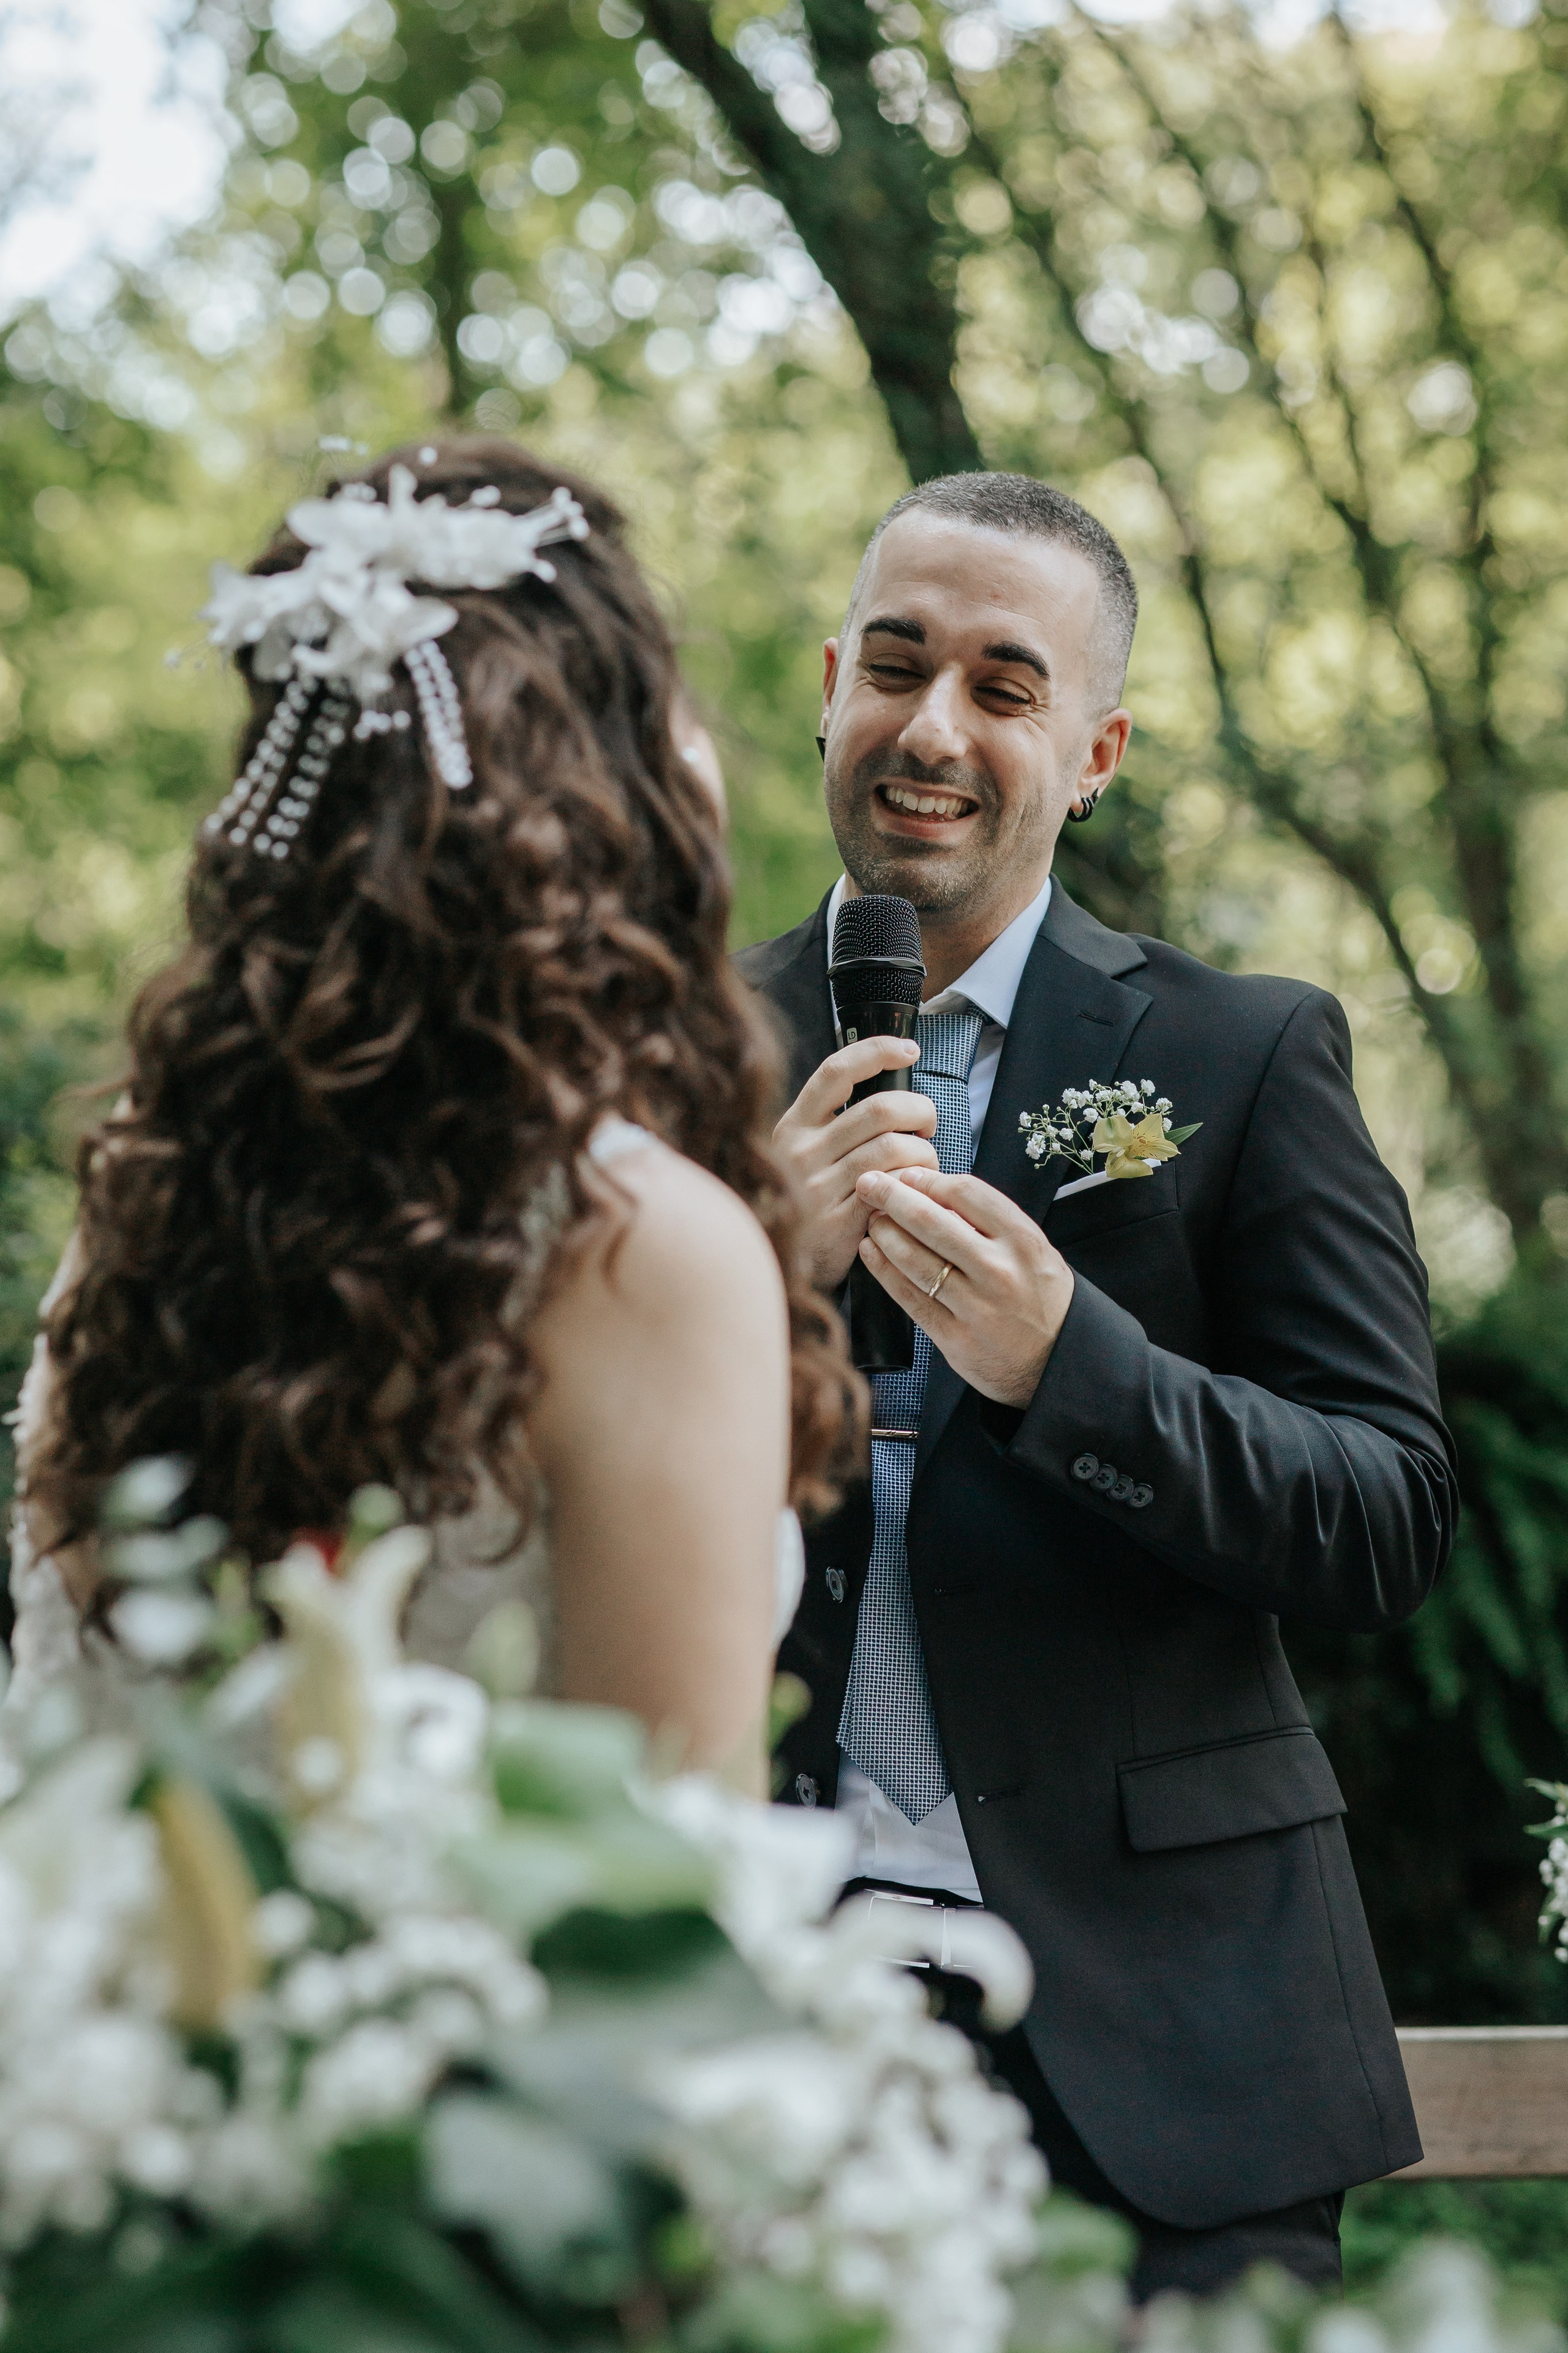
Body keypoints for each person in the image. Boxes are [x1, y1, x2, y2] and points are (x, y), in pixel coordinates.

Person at [739, 471, 1458, 2300]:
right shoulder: (664, 1045)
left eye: (1004, 686)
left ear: (1095, 754)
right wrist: (743, 1285)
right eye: (893, 665)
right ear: (828, 685)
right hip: (746, 2026)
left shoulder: (1243, 1050)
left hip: (1169, 2035)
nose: (931, 728)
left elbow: (1384, 1515)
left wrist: (1074, 1367)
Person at [11, 437, 859, 1790]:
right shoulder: (639, 1249)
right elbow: (667, 1867)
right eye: (665, 704)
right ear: (605, 800)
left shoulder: (150, 1192)